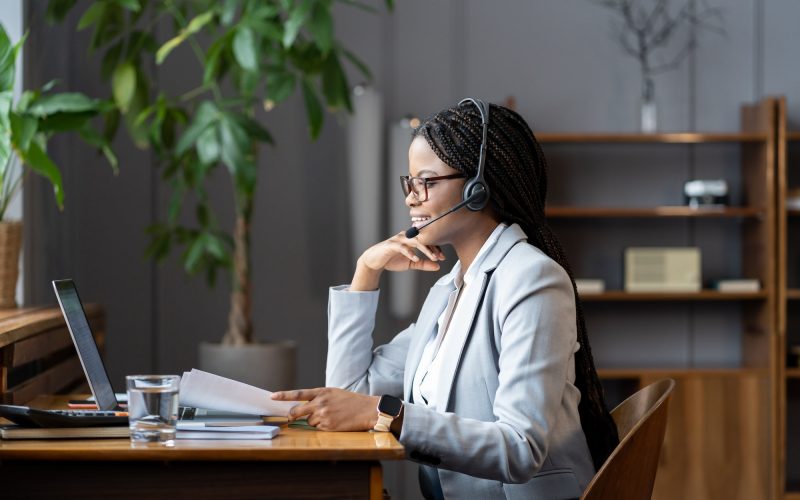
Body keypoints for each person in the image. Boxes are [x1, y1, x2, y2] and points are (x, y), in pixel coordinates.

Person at [272, 99, 619, 499]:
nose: (410, 198)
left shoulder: (532, 280)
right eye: (410, 183)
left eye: (427, 182)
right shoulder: (450, 290)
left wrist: (391, 415)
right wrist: (365, 272)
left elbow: (521, 449)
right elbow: (352, 390)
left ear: (477, 188)